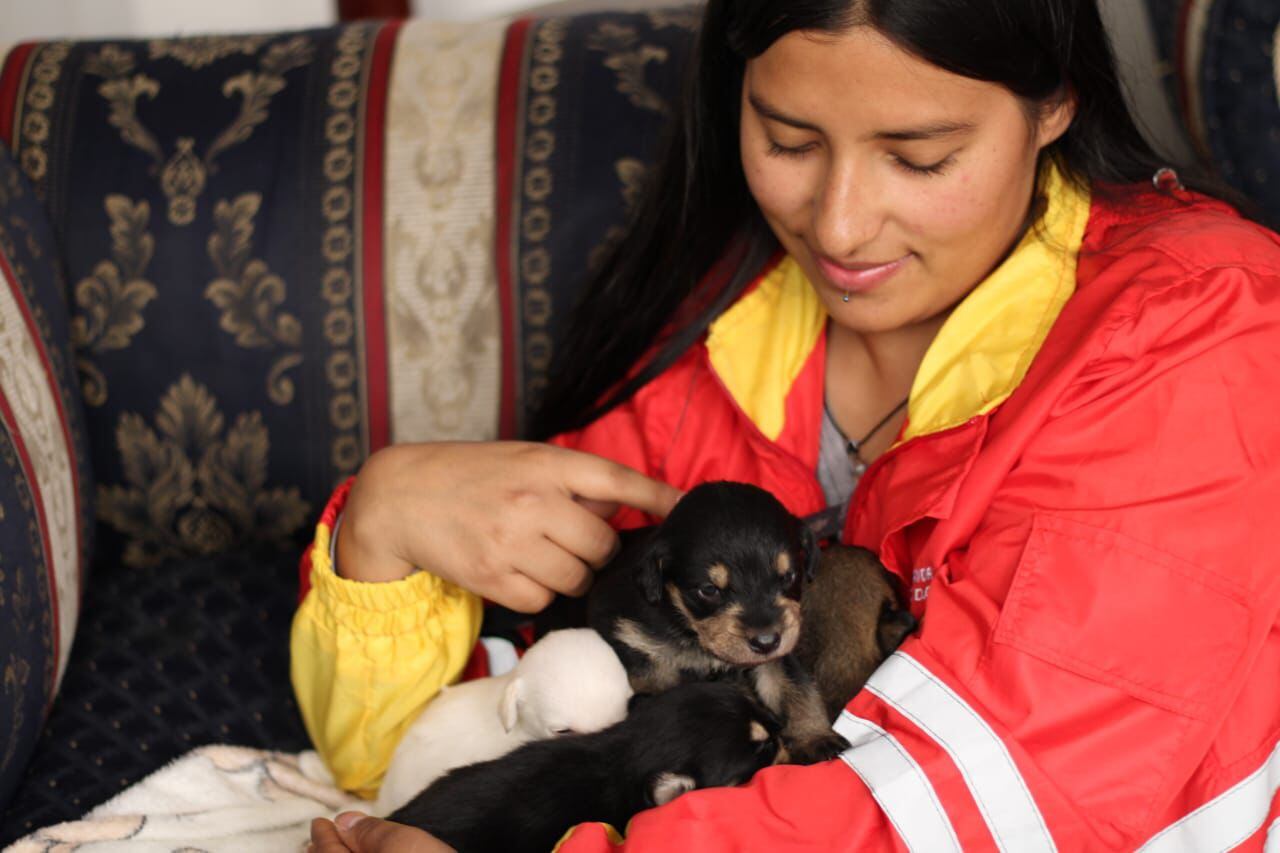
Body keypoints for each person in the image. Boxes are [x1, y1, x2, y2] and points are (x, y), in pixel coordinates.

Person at [296, 0, 1280, 849]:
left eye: (918, 155)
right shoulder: (700, 352)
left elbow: (1000, 804)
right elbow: (434, 748)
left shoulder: (1201, 329)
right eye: (787, 141)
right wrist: (382, 522)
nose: (839, 226)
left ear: (1052, 104)